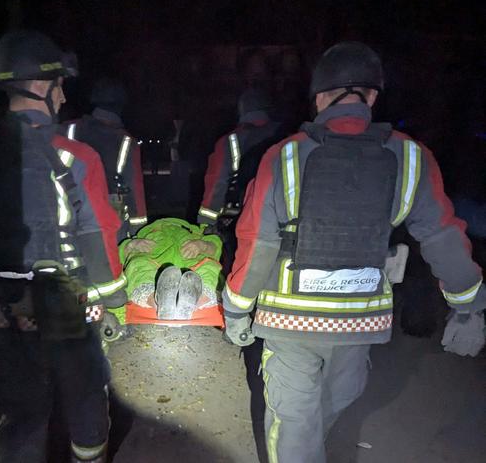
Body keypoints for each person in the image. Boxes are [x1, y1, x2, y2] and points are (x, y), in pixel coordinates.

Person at [222, 41, 485, 463]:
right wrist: (469, 306)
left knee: (293, 420)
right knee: (336, 399)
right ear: (373, 96)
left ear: (320, 96)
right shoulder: (411, 157)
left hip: (290, 321)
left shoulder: (285, 156)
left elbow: (258, 241)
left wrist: (236, 309)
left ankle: (302, 449)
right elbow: (441, 235)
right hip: (359, 318)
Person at [0, 29, 126, 463]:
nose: (64, 97)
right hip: (69, 309)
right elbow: (97, 236)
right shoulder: (77, 156)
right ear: (42, 87)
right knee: (87, 407)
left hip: (4, 311)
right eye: (60, 86)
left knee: (20, 417)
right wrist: (115, 301)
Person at [197, 88, 282, 272]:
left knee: (237, 266)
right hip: (279, 218)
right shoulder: (286, 137)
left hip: (239, 219)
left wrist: (205, 225)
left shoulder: (229, 141)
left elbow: (216, 186)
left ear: (241, 111)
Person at [62, 78, 147, 241]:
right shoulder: (125, 141)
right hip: (107, 212)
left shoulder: (68, 128)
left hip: (69, 204)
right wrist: (138, 231)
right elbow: (134, 188)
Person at [120, 217, 222, 320]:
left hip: (190, 268)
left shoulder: (195, 236)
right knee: (137, 264)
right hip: (154, 265)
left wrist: (202, 245)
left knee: (210, 266)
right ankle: (159, 302)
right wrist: (132, 244)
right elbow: (118, 256)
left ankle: (192, 303)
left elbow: (216, 247)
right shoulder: (144, 236)